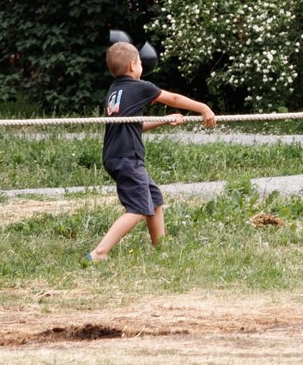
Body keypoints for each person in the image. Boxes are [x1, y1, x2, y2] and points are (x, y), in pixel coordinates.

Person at [86, 40, 215, 262]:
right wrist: (203, 108)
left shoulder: (115, 90)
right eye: (141, 64)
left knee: (153, 199)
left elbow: (135, 125)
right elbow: (173, 98)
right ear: (133, 66)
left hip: (116, 155)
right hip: (128, 157)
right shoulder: (140, 87)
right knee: (137, 209)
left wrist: (164, 120)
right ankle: (100, 252)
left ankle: (160, 248)